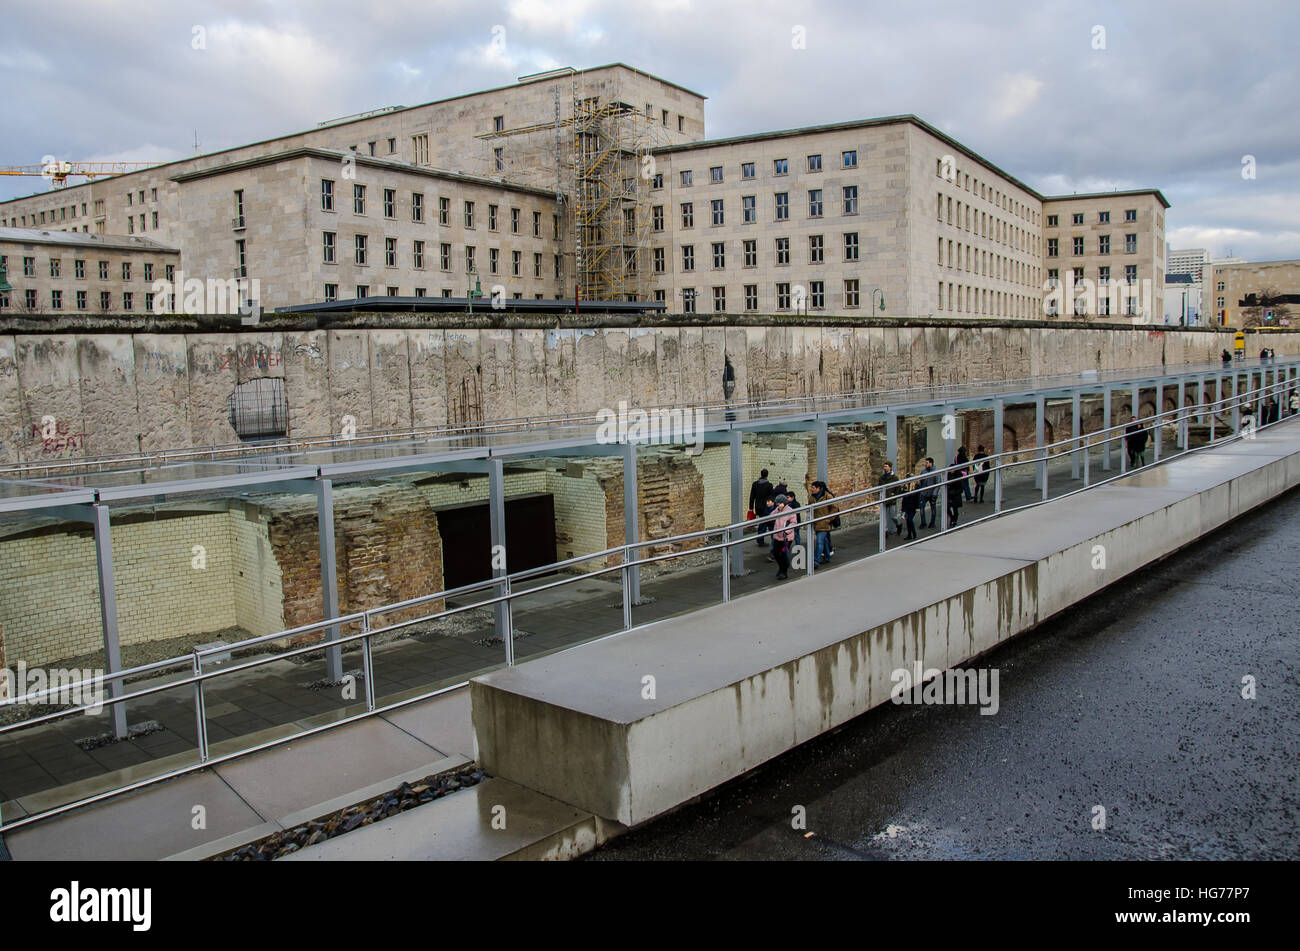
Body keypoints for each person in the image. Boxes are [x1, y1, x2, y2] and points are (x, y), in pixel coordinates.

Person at [810, 480, 838, 566]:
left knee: (819, 542)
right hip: (816, 523)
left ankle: (816, 561)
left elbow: (834, 508)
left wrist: (829, 519)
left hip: (824, 523)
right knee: (825, 541)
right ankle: (827, 557)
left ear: (819, 488)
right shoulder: (811, 498)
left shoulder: (827, 496)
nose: (811, 489)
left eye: (813, 488)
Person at [770, 494, 798, 580]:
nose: (778, 505)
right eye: (777, 503)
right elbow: (771, 516)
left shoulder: (790, 511)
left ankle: (784, 571)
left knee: (782, 554)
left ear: (784, 503)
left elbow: (794, 523)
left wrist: (787, 531)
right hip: (777, 536)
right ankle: (781, 568)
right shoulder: (777, 510)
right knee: (775, 553)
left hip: (786, 538)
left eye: (780, 503)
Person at [748, 469, 773, 547]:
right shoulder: (769, 485)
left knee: (762, 522)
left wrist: (751, 508)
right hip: (766, 507)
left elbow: (752, 496)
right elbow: (771, 497)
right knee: (764, 523)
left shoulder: (755, 484)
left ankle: (760, 539)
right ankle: (761, 540)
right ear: (767, 475)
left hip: (758, 506)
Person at [879, 461, 903, 535]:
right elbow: (879, 487)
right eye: (884, 466)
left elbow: (898, 488)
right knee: (884, 517)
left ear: (890, 467)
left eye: (886, 466)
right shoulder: (882, 478)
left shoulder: (894, 478)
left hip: (892, 500)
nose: (885, 468)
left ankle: (898, 524)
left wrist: (894, 495)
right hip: (884, 499)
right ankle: (885, 531)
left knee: (893, 516)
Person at [917, 457, 939, 527]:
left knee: (933, 509)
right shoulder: (923, 471)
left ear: (931, 463)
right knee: (921, 508)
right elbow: (921, 481)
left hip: (932, 493)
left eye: (927, 463)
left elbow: (937, 484)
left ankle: (932, 523)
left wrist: (934, 494)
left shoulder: (936, 472)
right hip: (924, 493)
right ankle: (923, 522)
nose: (925, 464)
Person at [900, 473, 922, 540]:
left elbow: (918, 497)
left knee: (910, 520)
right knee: (907, 521)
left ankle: (914, 533)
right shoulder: (905, 486)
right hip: (907, 506)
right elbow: (904, 498)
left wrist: (917, 507)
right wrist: (903, 509)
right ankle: (909, 534)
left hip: (913, 506)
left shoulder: (916, 486)